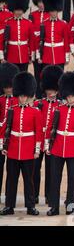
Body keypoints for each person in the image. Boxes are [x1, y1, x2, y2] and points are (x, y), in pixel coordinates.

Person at [0, 72, 42, 216]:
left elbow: (38, 133)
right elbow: (4, 129)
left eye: (25, 96)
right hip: (12, 149)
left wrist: (37, 150)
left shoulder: (35, 112)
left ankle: (30, 206)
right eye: (21, 95)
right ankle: (9, 206)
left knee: (28, 180)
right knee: (11, 180)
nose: (23, 98)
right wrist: (3, 146)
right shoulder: (12, 111)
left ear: (29, 95)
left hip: (28, 150)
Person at [46, 72, 74, 216]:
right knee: (55, 178)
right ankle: (54, 206)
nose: (70, 98)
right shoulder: (58, 110)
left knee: (73, 179)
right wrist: (47, 146)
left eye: (72, 96)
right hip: (57, 147)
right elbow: (51, 129)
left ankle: (70, 206)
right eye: (68, 96)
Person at [33, 65, 64, 205]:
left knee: (52, 171)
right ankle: (33, 196)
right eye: (49, 89)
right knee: (35, 169)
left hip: (53, 141)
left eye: (54, 89)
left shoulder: (61, 105)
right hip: (38, 141)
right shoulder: (38, 104)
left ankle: (50, 196)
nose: (51, 92)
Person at [1, 0, 34, 73]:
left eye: (21, 10)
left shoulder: (28, 23)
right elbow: (2, 41)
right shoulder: (7, 23)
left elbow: (31, 41)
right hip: (11, 56)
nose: (19, 12)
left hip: (24, 56)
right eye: (17, 10)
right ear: (13, 9)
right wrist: (2, 56)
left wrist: (31, 56)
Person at [37, 0, 70, 74]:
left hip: (59, 55)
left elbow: (66, 41)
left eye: (55, 11)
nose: (53, 13)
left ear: (58, 10)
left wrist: (66, 57)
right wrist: (39, 56)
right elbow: (40, 40)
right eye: (51, 11)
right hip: (47, 55)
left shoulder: (63, 24)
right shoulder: (43, 24)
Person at [0, 63, 19, 198]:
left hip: (13, 140)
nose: (8, 89)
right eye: (6, 87)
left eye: (10, 87)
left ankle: (9, 199)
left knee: (12, 172)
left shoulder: (17, 101)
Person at [29, 0, 51, 99]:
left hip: (47, 50)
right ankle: (38, 96)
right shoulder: (32, 15)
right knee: (37, 74)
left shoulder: (50, 14)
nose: (41, 4)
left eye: (43, 1)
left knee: (46, 74)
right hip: (36, 50)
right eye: (39, 2)